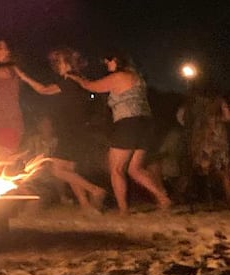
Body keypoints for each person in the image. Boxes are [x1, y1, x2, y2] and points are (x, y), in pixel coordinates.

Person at [66, 51, 171, 215]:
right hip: (145, 124)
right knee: (135, 169)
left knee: (116, 169)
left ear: (116, 60)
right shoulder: (137, 77)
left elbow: (91, 86)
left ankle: (123, 210)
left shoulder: (119, 76)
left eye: (108, 61)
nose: (106, 64)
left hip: (128, 124)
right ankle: (163, 198)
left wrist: (76, 77)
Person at [15, 47, 106, 214]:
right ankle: (85, 205)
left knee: (57, 170)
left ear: (68, 63)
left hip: (70, 131)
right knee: (69, 171)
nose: (57, 65)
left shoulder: (69, 80)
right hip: (76, 130)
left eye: (60, 62)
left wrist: (23, 76)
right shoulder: (78, 80)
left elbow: (43, 90)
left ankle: (95, 190)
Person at [181, 90, 230, 207]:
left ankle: (204, 198)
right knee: (224, 172)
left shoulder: (193, 101)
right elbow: (228, 117)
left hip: (202, 140)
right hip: (217, 140)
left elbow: (182, 118)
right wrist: (217, 119)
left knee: (202, 170)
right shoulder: (219, 101)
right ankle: (229, 200)